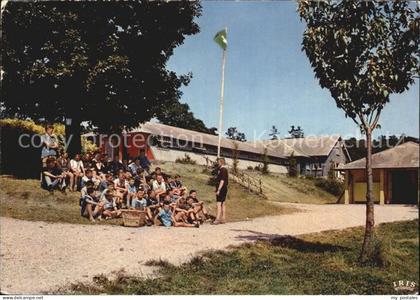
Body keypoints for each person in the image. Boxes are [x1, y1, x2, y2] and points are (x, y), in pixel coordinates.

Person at [213, 157, 228, 225]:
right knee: (223, 203)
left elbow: (222, 180)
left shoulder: (222, 170)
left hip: (221, 188)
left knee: (218, 204)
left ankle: (217, 219)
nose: (217, 163)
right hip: (224, 188)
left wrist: (218, 189)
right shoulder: (224, 169)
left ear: (221, 162)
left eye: (218, 162)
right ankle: (223, 219)